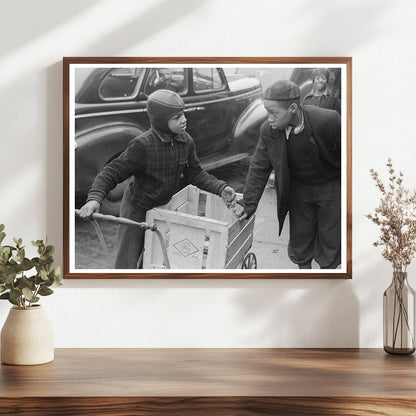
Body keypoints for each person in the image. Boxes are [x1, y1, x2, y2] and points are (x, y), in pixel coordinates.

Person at [79, 89, 236, 269]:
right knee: (128, 260)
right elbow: (111, 172)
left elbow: (195, 173)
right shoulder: (142, 145)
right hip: (137, 208)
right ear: (161, 120)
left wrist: (220, 188)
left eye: (183, 114)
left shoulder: (185, 141)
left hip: (162, 207)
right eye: (177, 117)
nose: (184, 120)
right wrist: (94, 199)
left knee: (155, 255)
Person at [233, 80, 341, 269]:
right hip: (299, 190)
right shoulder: (268, 130)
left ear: (292, 108)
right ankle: (305, 278)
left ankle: (327, 281)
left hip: (330, 186)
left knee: (330, 241)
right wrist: (248, 203)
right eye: (267, 112)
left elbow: (350, 157)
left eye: (273, 113)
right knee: (301, 240)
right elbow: (259, 166)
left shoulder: (328, 120)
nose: (269, 118)